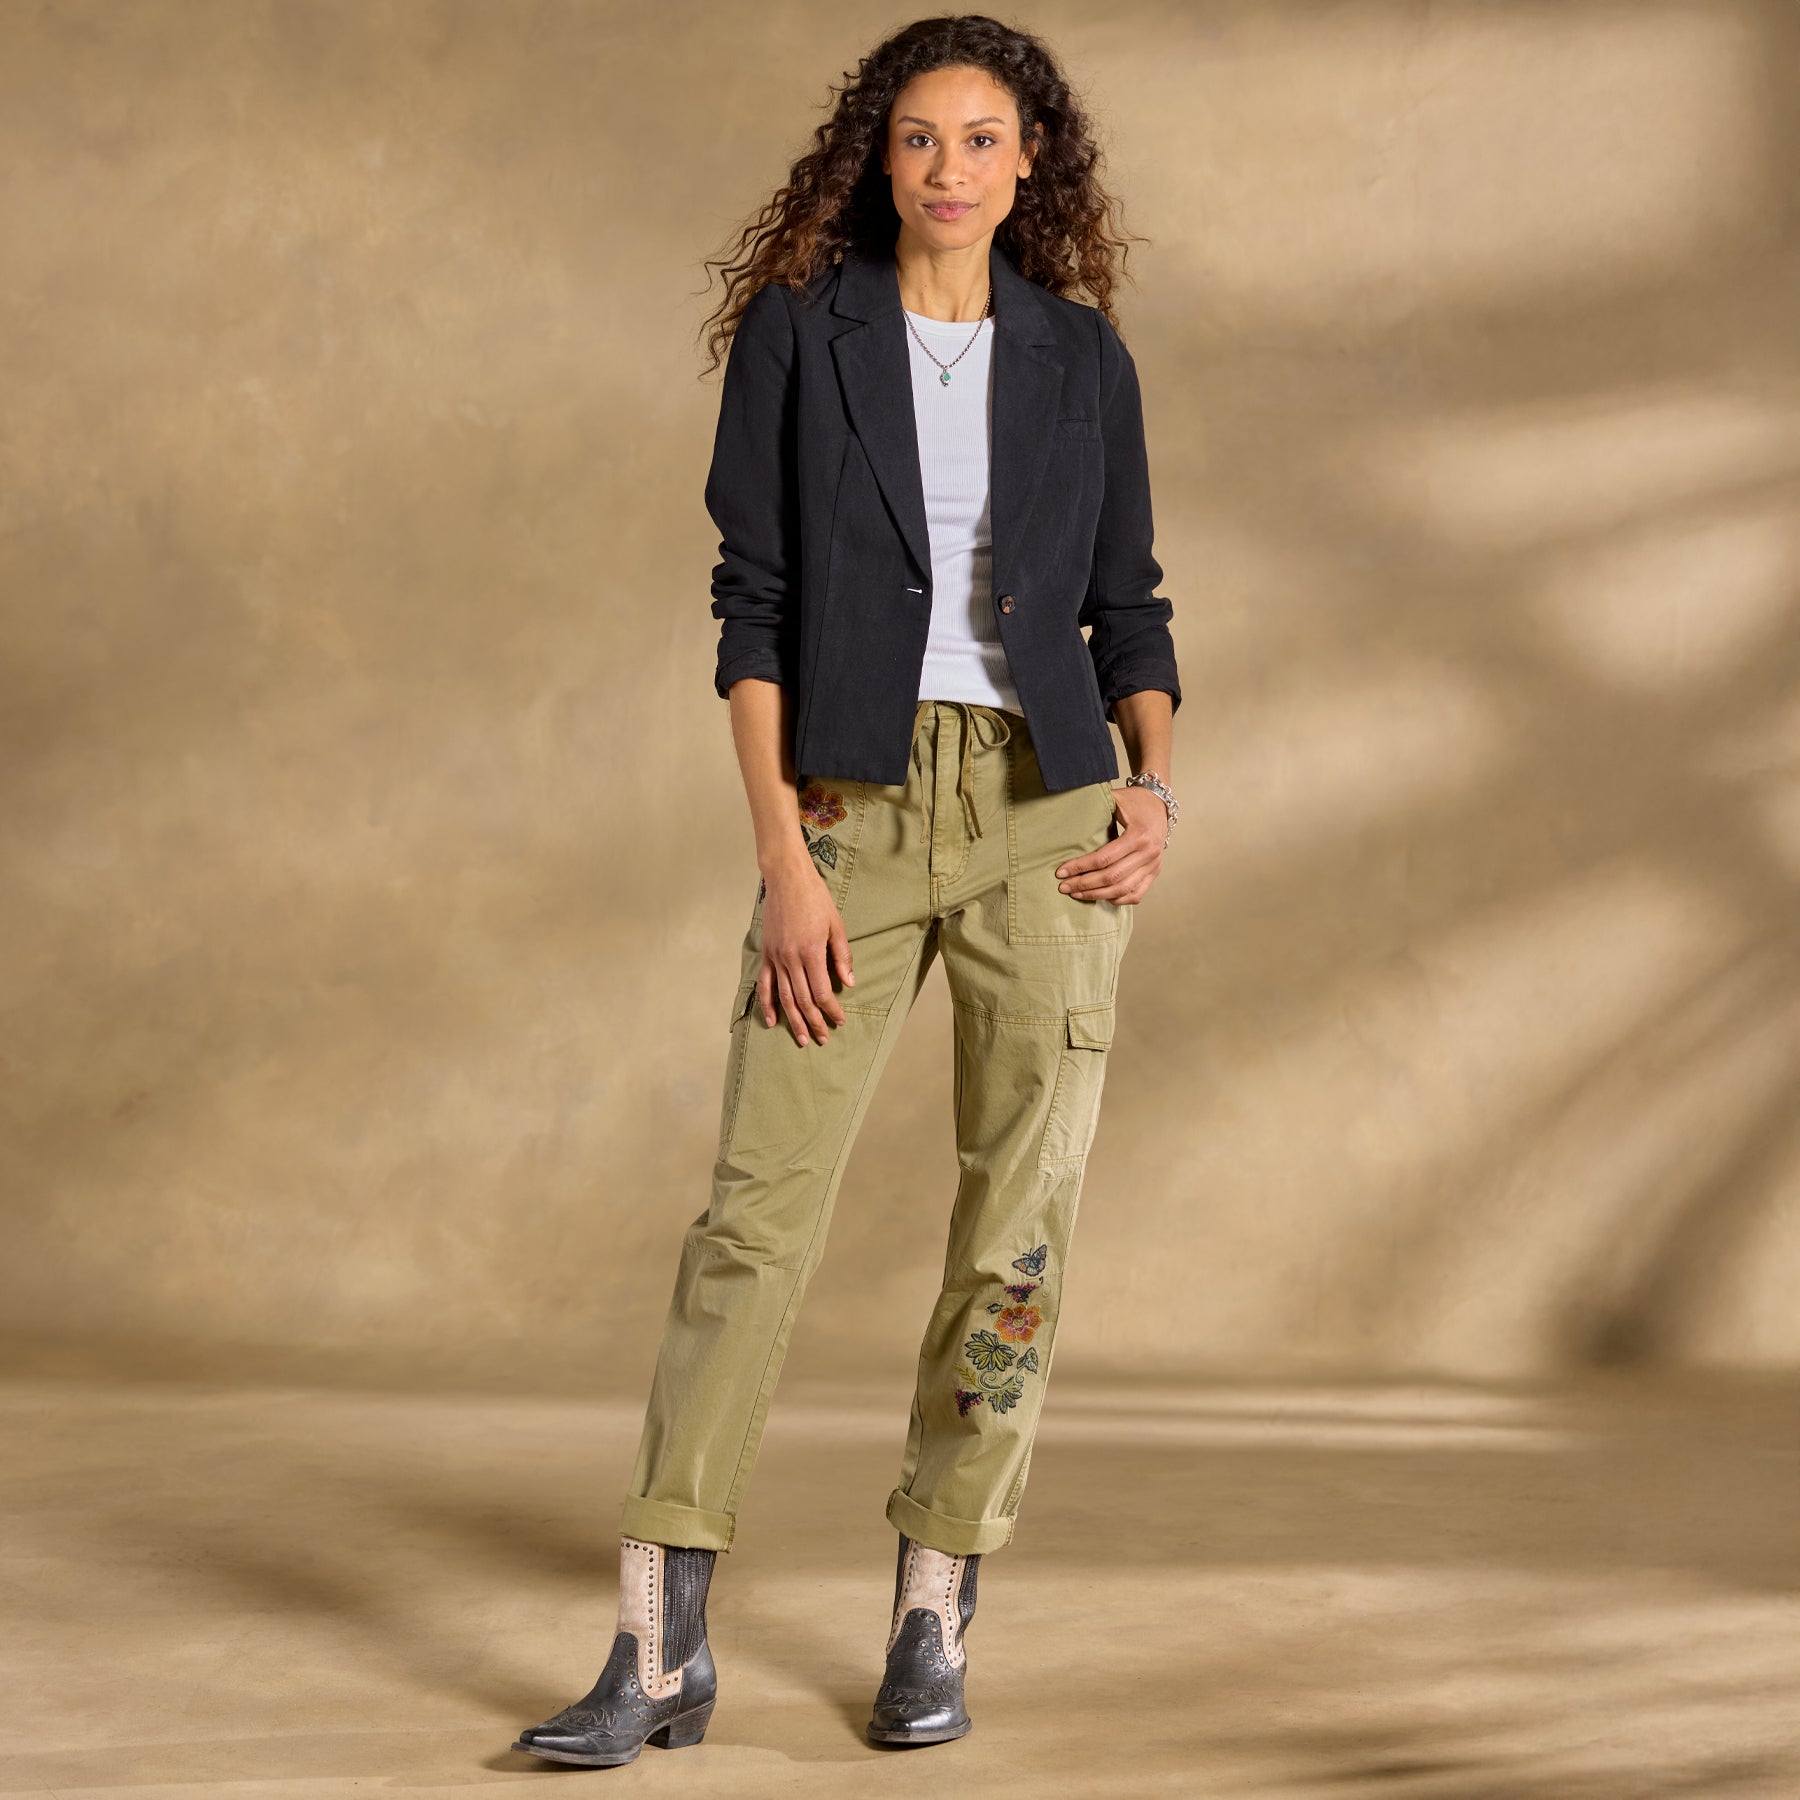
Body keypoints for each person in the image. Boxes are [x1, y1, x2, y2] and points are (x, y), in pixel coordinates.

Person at [512, 14, 1181, 1766]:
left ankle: (932, 1612)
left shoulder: (1081, 358)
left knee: (1016, 1231)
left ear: (1031, 163)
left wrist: (1154, 786)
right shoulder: (804, 335)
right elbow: (753, 604)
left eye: (981, 139)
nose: (949, 168)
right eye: (918, 139)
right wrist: (784, 861)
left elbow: (1130, 606)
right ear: (876, 160)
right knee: (753, 1221)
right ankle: (657, 1646)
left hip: (1047, 817)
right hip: (850, 813)